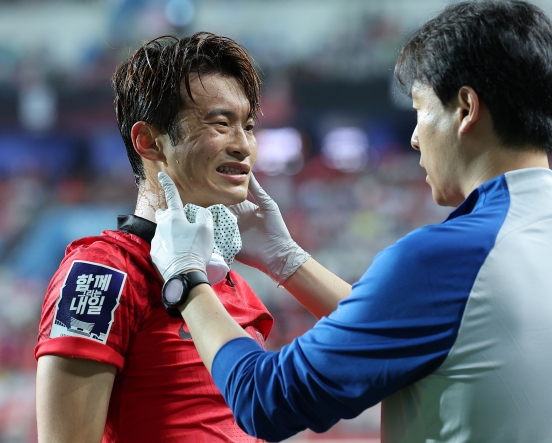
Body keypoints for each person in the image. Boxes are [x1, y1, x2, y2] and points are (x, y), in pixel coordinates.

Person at [149, 2, 552, 442]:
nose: (414, 139)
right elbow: (431, 332)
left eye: (421, 112)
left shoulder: (449, 258)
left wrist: (188, 280)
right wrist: (288, 260)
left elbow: (268, 401)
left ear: (465, 109)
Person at [35, 32, 346, 443]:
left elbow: (382, 337)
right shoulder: (101, 274)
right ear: (149, 142)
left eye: (249, 126)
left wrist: (288, 259)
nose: (243, 146)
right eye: (221, 124)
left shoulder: (231, 284)